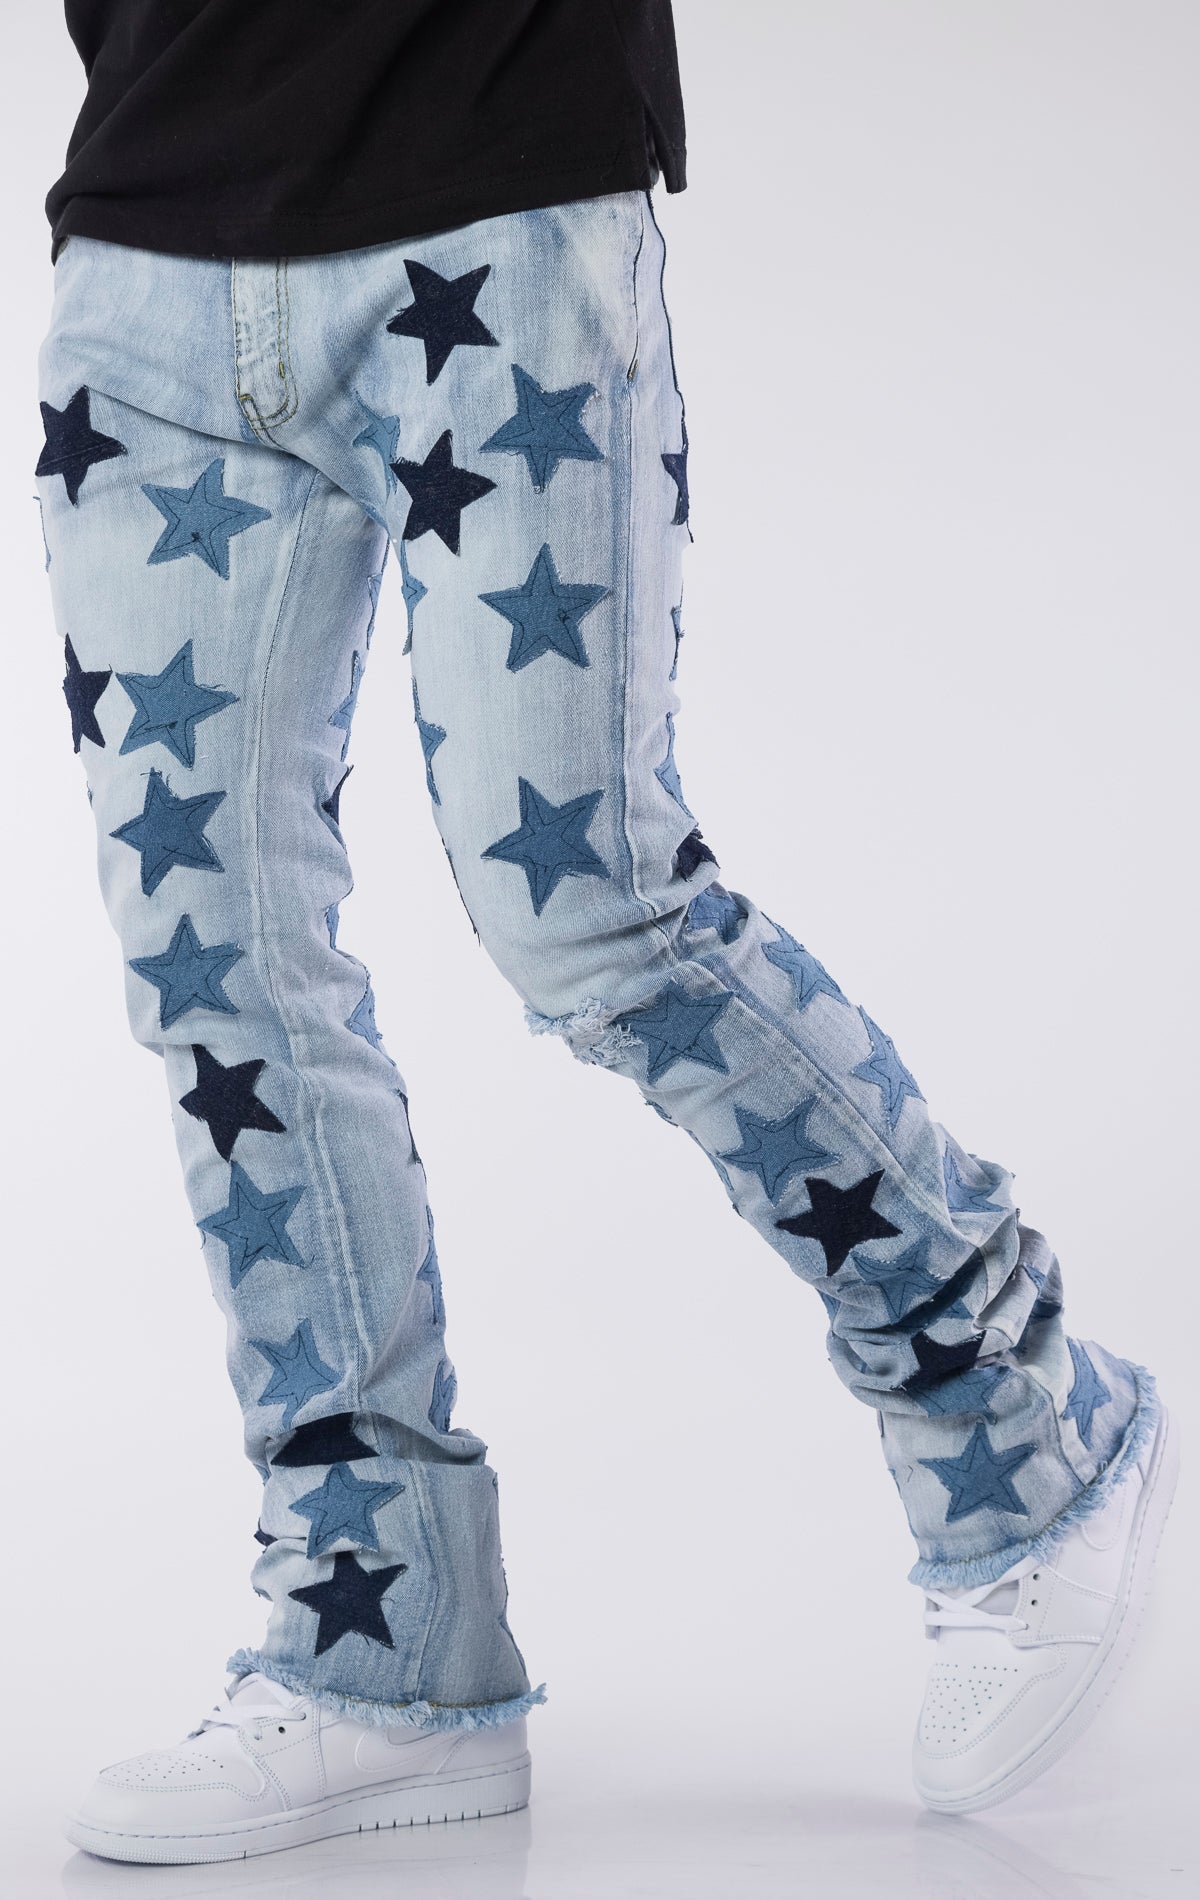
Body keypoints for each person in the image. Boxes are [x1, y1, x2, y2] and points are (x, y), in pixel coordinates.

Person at [36, 1, 1176, 1867]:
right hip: (146, 258)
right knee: (215, 976)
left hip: (495, 195)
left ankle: (1017, 1420)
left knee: (589, 904)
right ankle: (382, 1635)